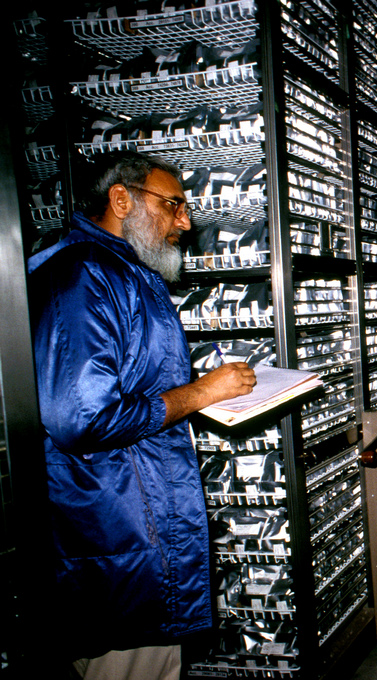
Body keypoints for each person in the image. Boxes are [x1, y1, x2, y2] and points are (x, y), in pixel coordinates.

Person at [29, 151, 257, 679]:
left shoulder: (122, 272)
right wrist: (199, 393)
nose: (186, 221)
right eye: (173, 204)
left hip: (136, 519)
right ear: (121, 199)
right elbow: (83, 417)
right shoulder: (85, 274)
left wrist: (203, 391)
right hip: (114, 530)